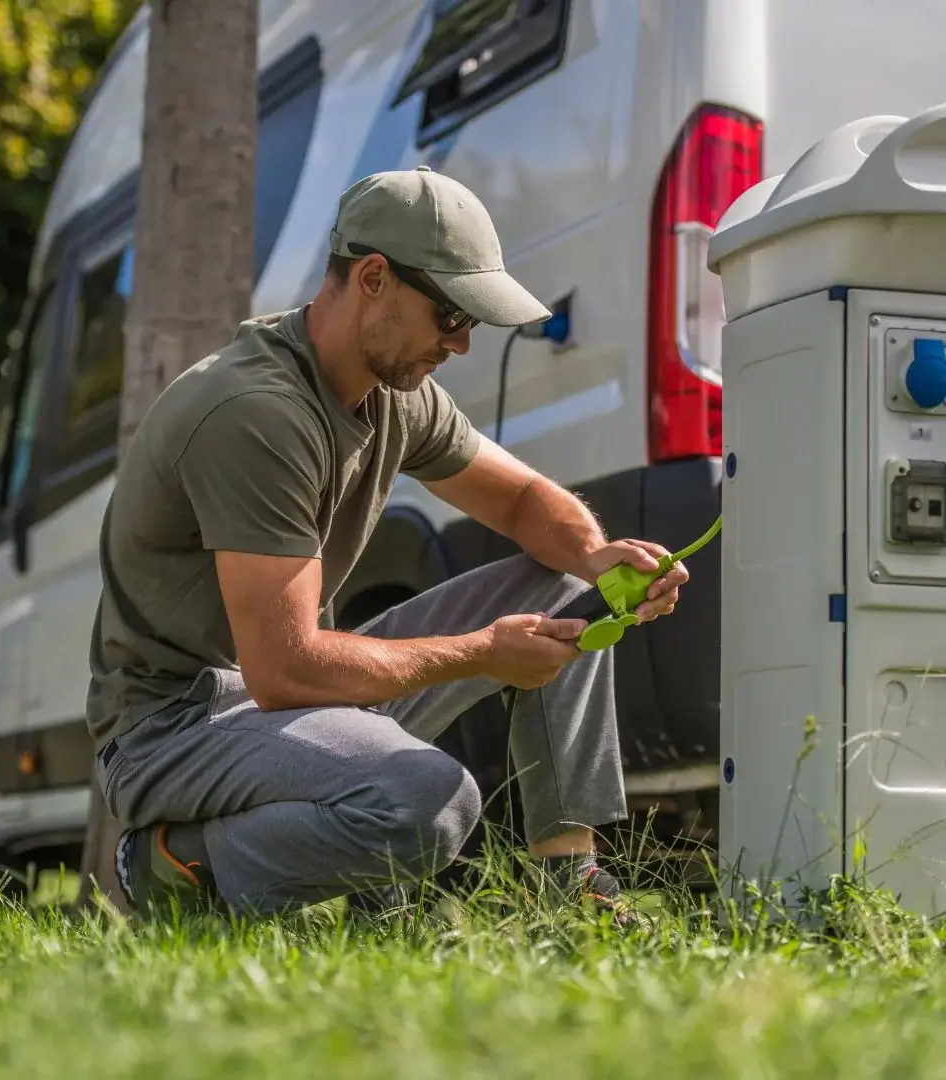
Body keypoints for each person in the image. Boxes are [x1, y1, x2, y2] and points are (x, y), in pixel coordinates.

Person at [84, 166, 688, 925]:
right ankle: (176, 866)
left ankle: (567, 896)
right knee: (431, 801)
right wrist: (481, 653)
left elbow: (523, 498)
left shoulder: (395, 393)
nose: (462, 344)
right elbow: (285, 670)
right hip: (173, 728)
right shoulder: (256, 414)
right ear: (373, 278)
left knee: (567, 584)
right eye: (450, 315)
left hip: (275, 695)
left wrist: (598, 556)